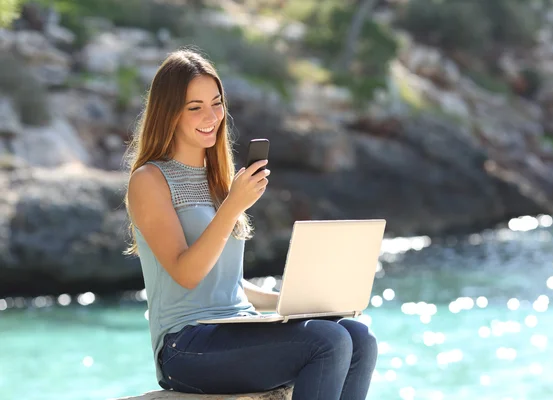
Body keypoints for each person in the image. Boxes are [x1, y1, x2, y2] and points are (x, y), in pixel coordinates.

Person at [124, 48, 378, 400]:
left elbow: (226, 281)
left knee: (359, 336)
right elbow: (186, 273)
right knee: (328, 342)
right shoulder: (149, 180)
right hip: (186, 346)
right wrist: (232, 208)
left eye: (216, 103)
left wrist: (293, 303)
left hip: (237, 327)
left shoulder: (219, 179)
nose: (211, 116)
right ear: (169, 115)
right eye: (194, 107)